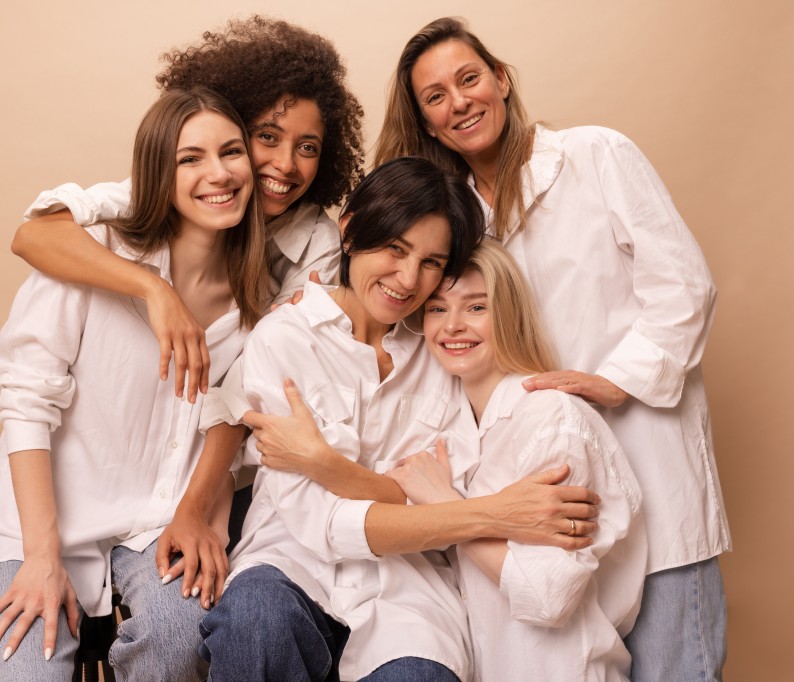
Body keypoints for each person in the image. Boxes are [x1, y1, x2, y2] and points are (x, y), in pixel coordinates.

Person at [375, 17, 731, 680]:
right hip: (542, 494)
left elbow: (684, 286)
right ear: (425, 122)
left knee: (674, 665)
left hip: (646, 453)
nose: (459, 101)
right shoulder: (452, 217)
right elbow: (416, 307)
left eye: (469, 78)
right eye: (435, 96)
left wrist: (613, 381)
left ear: (502, 79)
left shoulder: (596, 155)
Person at [8, 16, 365, 606]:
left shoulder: (313, 247)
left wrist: (196, 508)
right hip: (127, 467)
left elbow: (253, 388)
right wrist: (157, 292)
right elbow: (35, 237)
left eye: (309, 148)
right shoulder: (180, 183)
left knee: (199, 618)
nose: (286, 164)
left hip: (237, 463)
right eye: (267, 137)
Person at [200, 157, 601, 681]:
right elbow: (319, 522)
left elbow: (441, 494)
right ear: (349, 233)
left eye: (432, 262)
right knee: (256, 620)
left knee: (418, 676)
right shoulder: (285, 338)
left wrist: (323, 462)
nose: (409, 279)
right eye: (395, 249)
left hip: (408, 593)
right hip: (290, 565)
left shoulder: (442, 350)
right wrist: (487, 511)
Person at [0, 86, 270, 681]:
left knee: (183, 640)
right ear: (159, 173)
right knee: (25, 668)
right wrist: (41, 558)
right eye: (190, 158)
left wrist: (201, 518)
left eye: (231, 152)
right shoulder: (86, 256)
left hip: (154, 529)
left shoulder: (254, 304)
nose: (219, 173)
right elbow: (26, 404)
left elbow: (231, 424)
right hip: (39, 528)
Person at [388, 240, 648, 680]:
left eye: (475, 308)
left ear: (507, 314)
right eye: (436, 309)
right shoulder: (449, 425)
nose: (452, 326)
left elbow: (548, 595)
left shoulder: (552, 419)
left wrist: (446, 508)